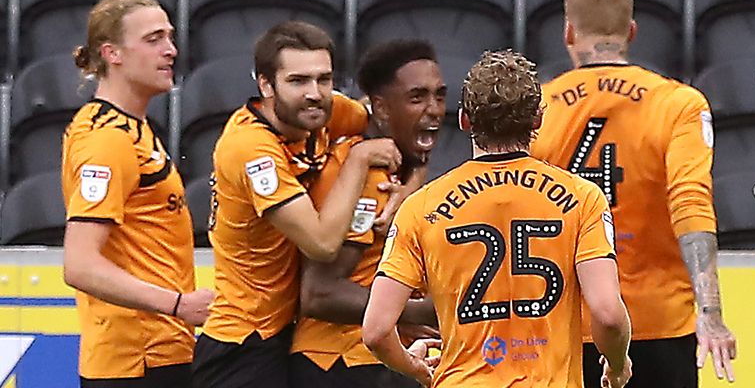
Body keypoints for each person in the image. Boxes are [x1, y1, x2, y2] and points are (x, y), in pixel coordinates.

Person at [363, 49, 632, 387]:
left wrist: (416, 367)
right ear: (537, 119)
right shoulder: (582, 198)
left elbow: (375, 331)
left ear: (464, 120)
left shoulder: (422, 207)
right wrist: (617, 362)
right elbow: (608, 315)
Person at [529, 0, 736, 387]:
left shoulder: (539, 104)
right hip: (658, 324)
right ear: (632, 31)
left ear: (569, 32)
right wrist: (710, 314)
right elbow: (690, 201)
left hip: (566, 323)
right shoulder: (678, 103)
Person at [191, 20, 401, 388]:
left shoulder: (324, 111)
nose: (315, 93)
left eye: (324, 79)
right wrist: (358, 160)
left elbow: (402, 127)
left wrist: (404, 190)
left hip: (290, 333)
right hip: (243, 341)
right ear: (265, 85)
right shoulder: (250, 147)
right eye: (298, 81)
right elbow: (320, 244)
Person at [61, 0, 214, 388]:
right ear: (112, 53)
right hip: (137, 359)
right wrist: (179, 305)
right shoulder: (108, 139)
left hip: (158, 351)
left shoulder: (132, 128)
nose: (171, 50)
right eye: (154, 39)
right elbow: (80, 264)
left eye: (170, 36)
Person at [289, 39, 445, 388]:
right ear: (381, 108)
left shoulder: (399, 168)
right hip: (337, 363)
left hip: (372, 357)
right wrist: (417, 310)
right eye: (417, 97)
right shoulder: (363, 174)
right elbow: (320, 293)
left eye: (439, 95)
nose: (434, 109)